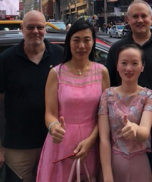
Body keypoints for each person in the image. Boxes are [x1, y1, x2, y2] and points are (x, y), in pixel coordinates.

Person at [0, 11, 63, 182]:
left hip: (53, 142)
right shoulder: (7, 59)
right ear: (22, 29)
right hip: (18, 146)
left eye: (40, 27)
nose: (35, 31)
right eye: (30, 27)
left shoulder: (60, 55)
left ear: (46, 29)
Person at [36, 19, 110, 182]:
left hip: (93, 142)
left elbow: (105, 115)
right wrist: (54, 127)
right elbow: (50, 113)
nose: (81, 46)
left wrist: (91, 141)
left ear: (93, 42)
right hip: (61, 142)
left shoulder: (102, 72)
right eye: (76, 40)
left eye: (87, 40)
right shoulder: (56, 73)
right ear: (69, 42)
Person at [106, 0, 152, 172]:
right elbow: (109, 84)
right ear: (128, 19)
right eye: (135, 16)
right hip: (125, 129)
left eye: (143, 16)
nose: (139, 20)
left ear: (151, 18)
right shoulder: (117, 49)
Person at [99, 44, 152, 182]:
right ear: (117, 65)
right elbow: (104, 139)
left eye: (134, 63)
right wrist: (107, 175)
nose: (129, 68)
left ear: (142, 66)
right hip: (112, 163)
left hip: (139, 165)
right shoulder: (107, 95)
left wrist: (136, 129)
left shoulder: (149, 96)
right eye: (124, 63)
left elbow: (144, 132)